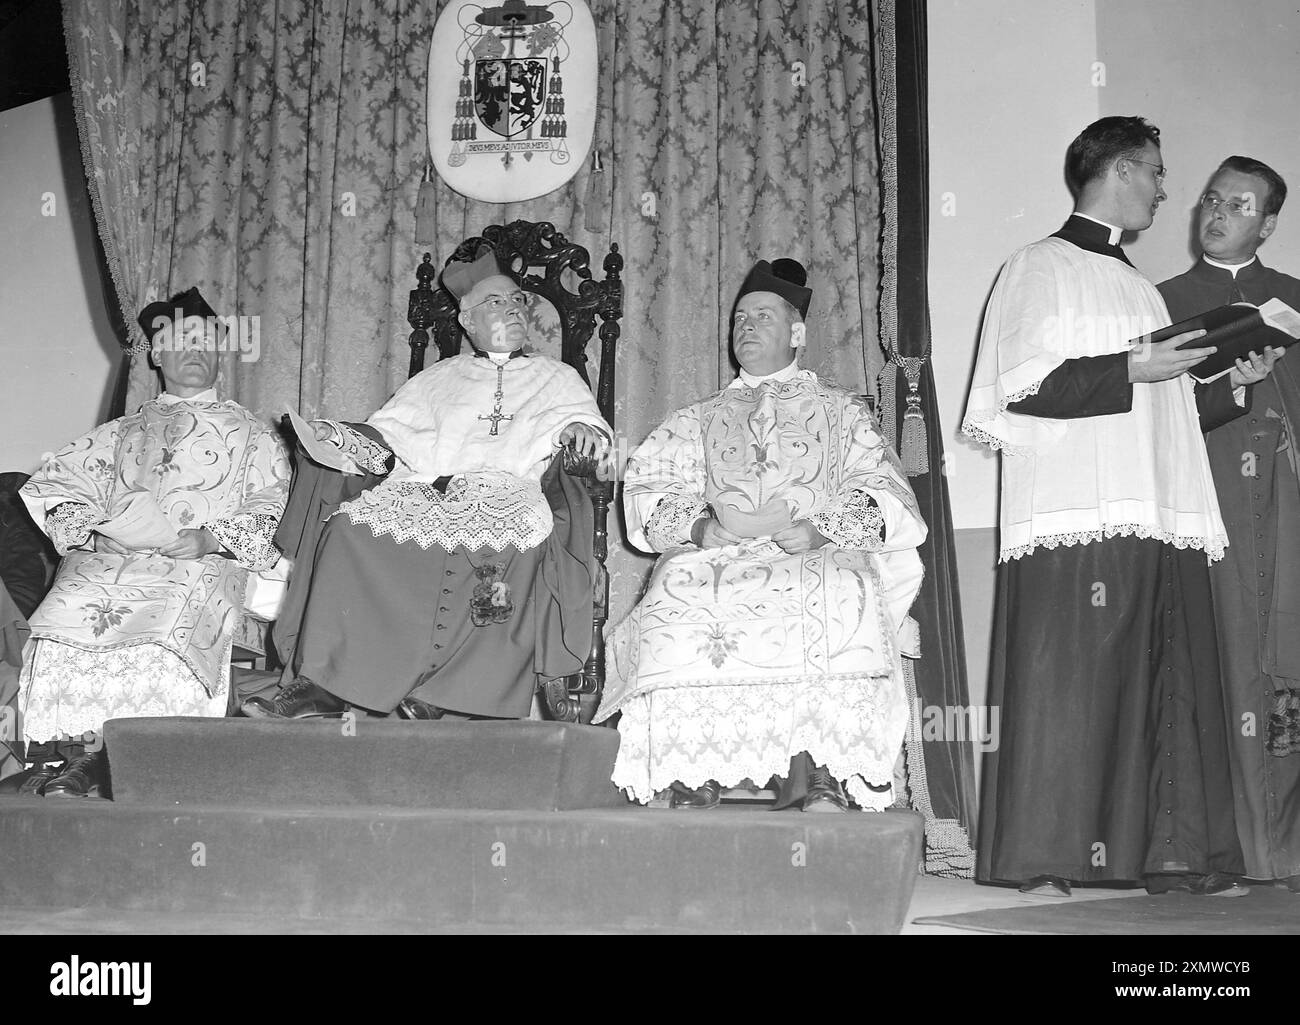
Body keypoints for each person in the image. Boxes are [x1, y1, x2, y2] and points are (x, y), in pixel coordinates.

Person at [962, 117, 1261, 897]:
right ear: (1121, 169)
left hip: (1158, 511)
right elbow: (1024, 385)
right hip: (1077, 512)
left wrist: (1230, 382)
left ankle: (1173, 858)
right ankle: (1044, 858)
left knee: (1167, 682)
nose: (1166, 190)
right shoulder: (1037, 266)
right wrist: (1136, 362)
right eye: (1157, 172)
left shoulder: (1136, 286)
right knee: (1070, 687)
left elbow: (1159, 411)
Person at [596, 259, 927, 812]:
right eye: (740, 319)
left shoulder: (842, 412)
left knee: (842, 598)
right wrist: (700, 526)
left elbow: (880, 482)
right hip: (716, 554)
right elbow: (650, 483)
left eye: (764, 317)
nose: (745, 328)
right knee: (672, 598)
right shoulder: (696, 418)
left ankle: (826, 772)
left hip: (814, 551)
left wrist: (824, 530)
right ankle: (690, 767)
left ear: (797, 333)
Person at [243, 246, 610, 723]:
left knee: (517, 535)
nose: (515, 309)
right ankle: (325, 684)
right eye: (497, 303)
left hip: (509, 492)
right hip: (427, 490)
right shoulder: (439, 377)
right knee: (348, 531)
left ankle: (449, 691)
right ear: (469, 321)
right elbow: (387, 435)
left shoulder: (557, 377)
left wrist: (584, 433)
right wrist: (338, 437)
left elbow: (589, 432)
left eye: (518, 300)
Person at [14, 287, 290, 797]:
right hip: (113, 561)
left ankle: (159, 759)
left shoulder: (254, 434)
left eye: (206, 342)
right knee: (69, 603)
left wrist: (211, 538)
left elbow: (271, 502)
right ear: (157, 355)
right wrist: (93, 532)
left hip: (202, 563)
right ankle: (81, 757)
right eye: (181, 341)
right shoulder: (120, 431)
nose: (194, 352)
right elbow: (59, 482)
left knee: (166, 610)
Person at [1158, 155, 1299, 892]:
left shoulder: (1296, 300)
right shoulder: (1162, 299)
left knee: (1287, 670)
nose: (1216, 213)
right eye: (1211, 199)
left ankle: (1288, 846)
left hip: (1288, 507)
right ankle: (1233, 849)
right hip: (1208, 506)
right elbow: (1148, 410)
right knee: (1223, 666)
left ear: (1268, 222)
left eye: (1238, 205)